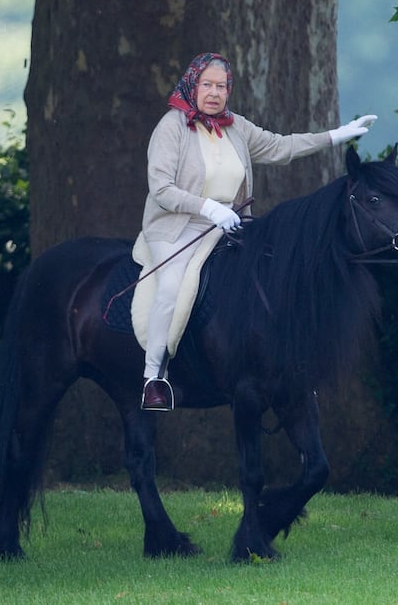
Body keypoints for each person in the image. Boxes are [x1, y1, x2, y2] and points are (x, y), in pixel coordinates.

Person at [137, 52, 377, 410]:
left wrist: (335, 136)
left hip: (231, 225)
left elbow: (281, 147)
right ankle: (153, 377)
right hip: (178, 226)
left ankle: (283, 366)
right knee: (173, 287)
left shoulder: (236, 127)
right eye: (207, 85)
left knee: (275, 273)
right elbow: (161, 188)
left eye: (221, 86)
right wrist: (208, 207)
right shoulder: (171, 127)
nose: (215, 93)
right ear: (192, 84)